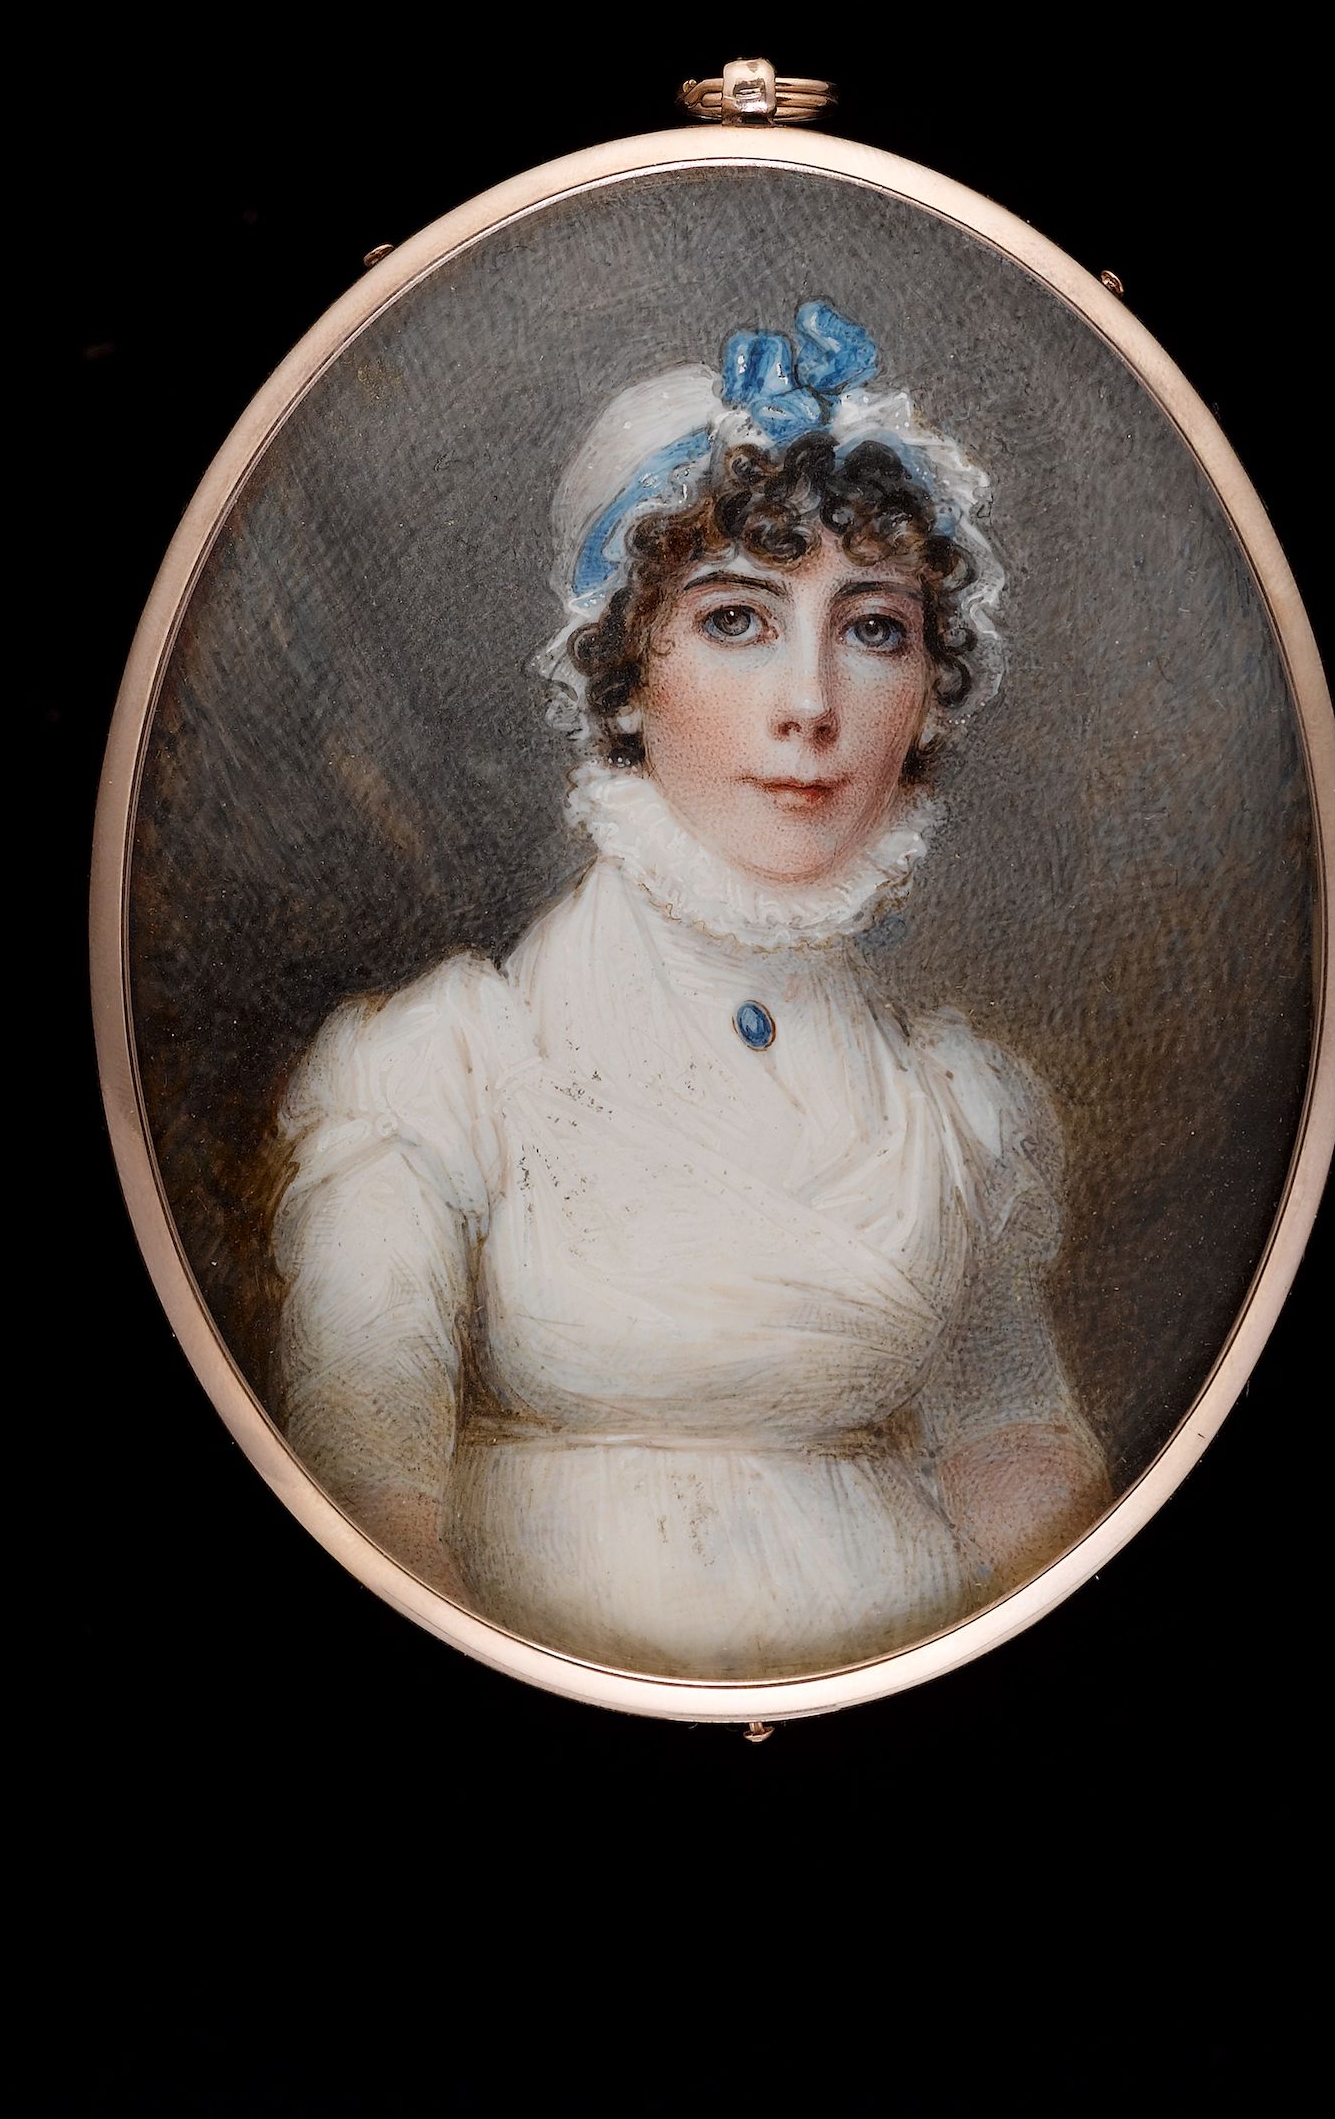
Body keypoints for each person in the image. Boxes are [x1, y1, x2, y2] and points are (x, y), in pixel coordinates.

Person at [271, 299, 1112, 1678]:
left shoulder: (958, 1108)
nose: (810, 705)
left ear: (929, 692)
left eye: (874, 629)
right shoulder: (448, 1069)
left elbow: (1018, 1462)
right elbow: (365, 1503)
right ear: (622, 674)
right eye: (736, 619)